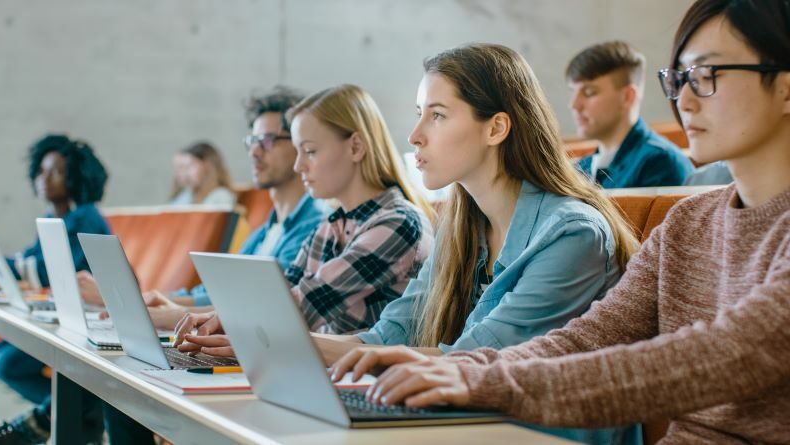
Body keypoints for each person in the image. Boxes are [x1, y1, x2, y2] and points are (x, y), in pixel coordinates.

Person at [331, 1, 790, 444]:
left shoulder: (573, 228)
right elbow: (584, 340)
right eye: (680, 78)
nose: (684, 100)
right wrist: (469, 370)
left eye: (708, 75)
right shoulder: (687, 225)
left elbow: (727, 353)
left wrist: (479, 380)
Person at [178, 47, 642, 444]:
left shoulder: (573, 234)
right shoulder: (463, 228)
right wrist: (262, 340)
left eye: (437, 115)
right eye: (418, 114)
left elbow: (474, 363)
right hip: (465, 424)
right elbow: (387, 338)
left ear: (496, 128)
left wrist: (278, 343)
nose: (415, 134)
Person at [174, 83, 435, 342]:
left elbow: (302, 306)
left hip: (367, 380)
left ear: (355, 147)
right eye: (298, 152)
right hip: (322, 371)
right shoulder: (331, 226)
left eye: (309, 151)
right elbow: (281, 293)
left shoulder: (399, 223)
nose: (299, 166)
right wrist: (215, 318)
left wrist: (222, 322)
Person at [78, 87, 329, 330]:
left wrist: (156, 311)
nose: (254, 151)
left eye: (267, 140)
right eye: (252, 141)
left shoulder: (316, 226)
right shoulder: (265, 230)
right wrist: (143, 301)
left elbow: (257, 306)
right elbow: (216, 293)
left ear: (300, 143)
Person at [0, 134, 111, 444]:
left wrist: (9, 265)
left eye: (55, 171)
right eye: (42, 170)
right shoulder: (53, 217)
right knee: (0, 357)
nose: (44, 178)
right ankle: (72, 416)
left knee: (8, 362)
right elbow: (31, 262)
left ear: (75, 177)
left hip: (92, 316)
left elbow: (44, 271)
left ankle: (53, 418)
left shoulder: (85, 218)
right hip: (68, 312)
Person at [569, 41, 695, 188]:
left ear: (627, 96)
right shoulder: (582, 168)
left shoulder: (659, 164)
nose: (574, 105)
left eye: (589, 92)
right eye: (572, 92)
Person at [167, 141, 235, 206]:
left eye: (189, 166)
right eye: (179, 168)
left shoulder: (221, 197)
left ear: (207, 166)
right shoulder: (186, 195)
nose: (182, 173)